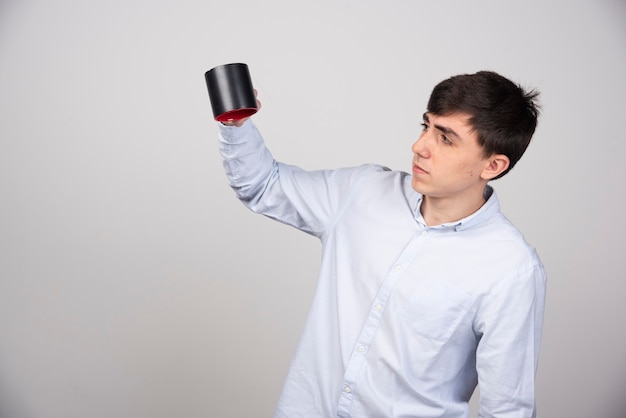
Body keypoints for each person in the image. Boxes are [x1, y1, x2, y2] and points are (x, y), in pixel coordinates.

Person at [215, 70, 547, 418]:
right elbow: (264, 185)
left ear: (492, 165)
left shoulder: (511, 269)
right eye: (426, 127)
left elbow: (507, 410)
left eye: (446, 139)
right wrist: (235, 123)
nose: (419, 147)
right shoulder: (363, 191)